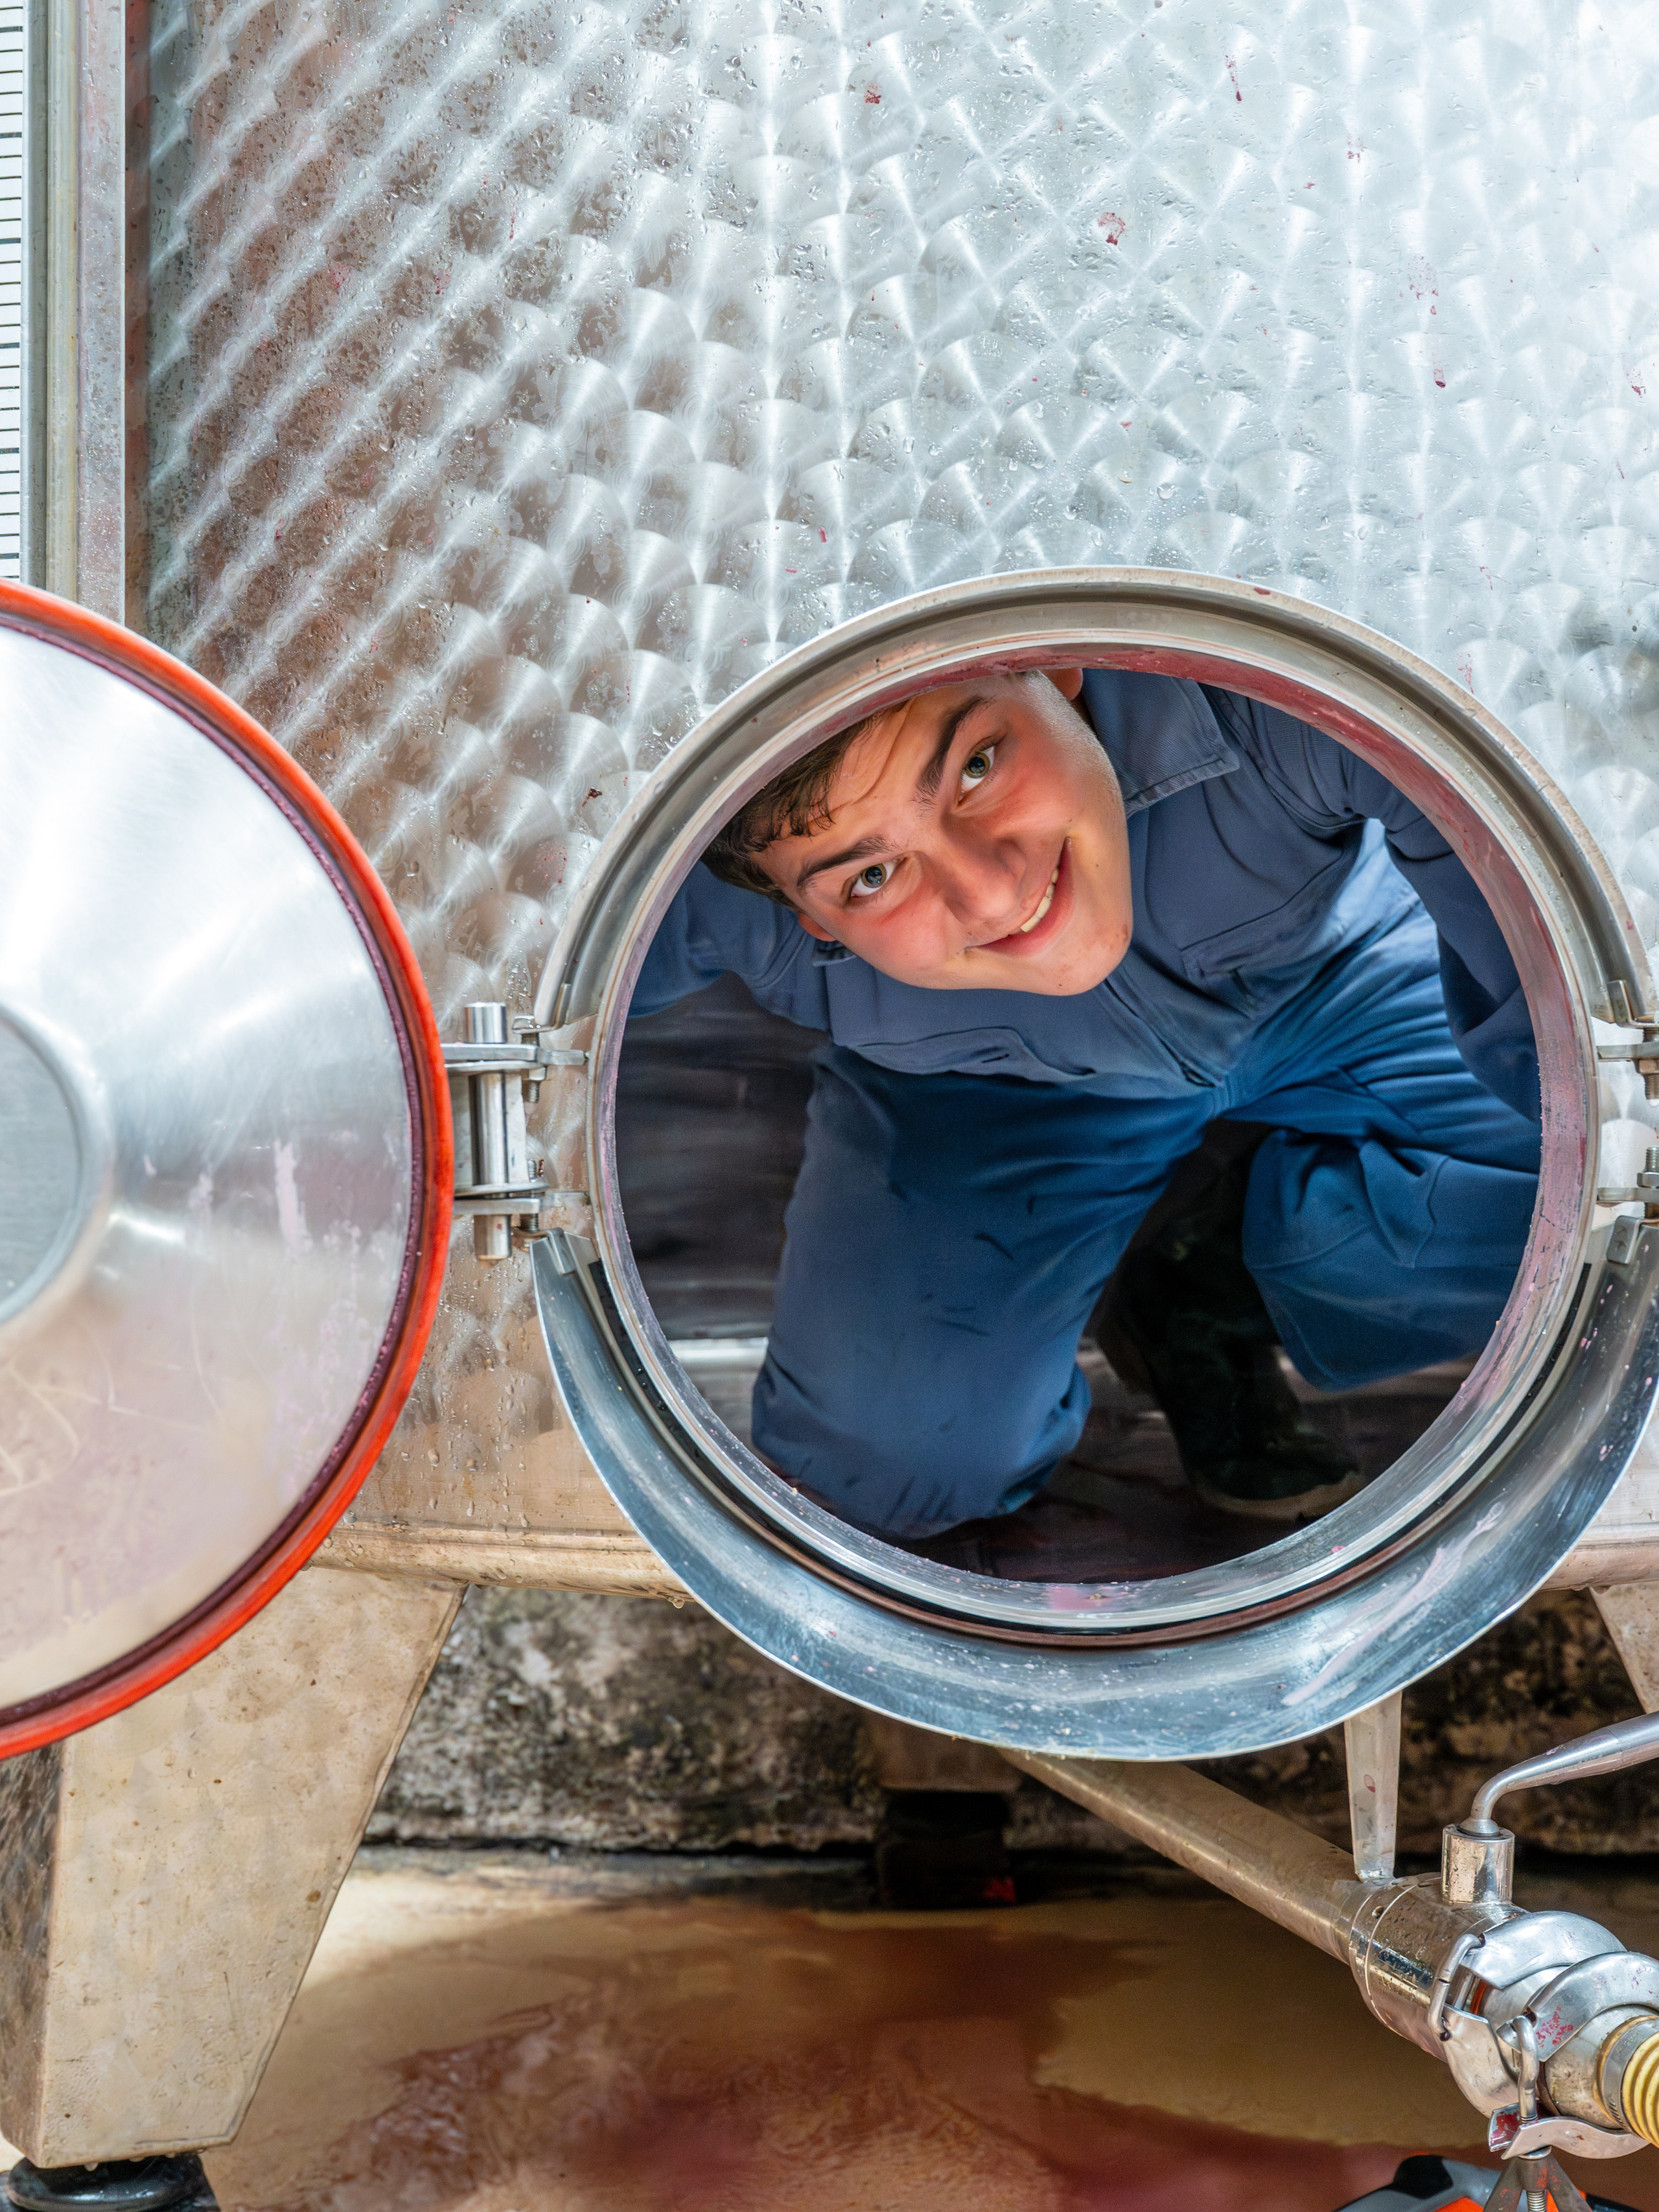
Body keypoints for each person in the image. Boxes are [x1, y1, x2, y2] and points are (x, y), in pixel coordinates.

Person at [632, 666, 1540, 1541]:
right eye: (871, 877)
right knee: (890, 1467)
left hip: (1333, 980)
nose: (994, 893)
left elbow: (1579, 1034)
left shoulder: (1263, 686)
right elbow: (550, 977)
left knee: (1590, 1209)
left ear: (1056, 667)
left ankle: (1213, 1280)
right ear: (807, 915)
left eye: (976, 766)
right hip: (995, 1091)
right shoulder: (726, 897)